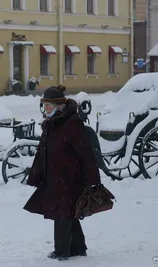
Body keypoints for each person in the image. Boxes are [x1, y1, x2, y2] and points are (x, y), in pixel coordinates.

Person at [23, 85, 101, 261]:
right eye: (44, 105)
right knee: (69, 212)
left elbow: (86, 154)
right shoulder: (52, 125)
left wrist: (92, 179)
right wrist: (36, 174)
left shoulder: (71, 124)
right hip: (55, 177)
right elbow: (42, 152)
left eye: (49, 105)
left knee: (62, 213)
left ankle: (61, 251)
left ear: (59, 106)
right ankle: (78, 247)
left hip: (71, 178)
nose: (46, 108)